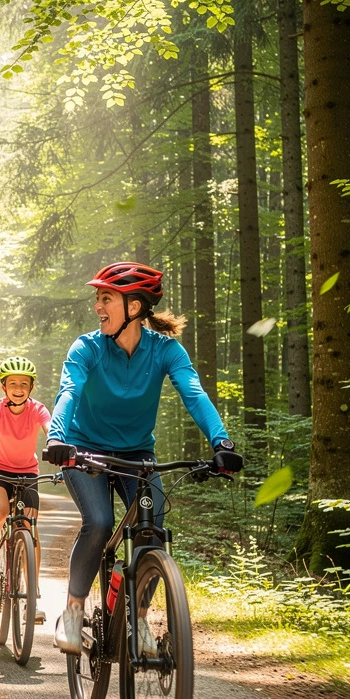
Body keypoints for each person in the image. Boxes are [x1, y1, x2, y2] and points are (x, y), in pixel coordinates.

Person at [42, 262, 243, 654]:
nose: (98, 307)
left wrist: (222, 443)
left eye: (106, 299)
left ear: (134, 307)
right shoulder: (87, 348)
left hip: (137, 454)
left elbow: (194, 393)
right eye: (97, 298)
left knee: (152, 532)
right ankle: (72, 611)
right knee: (99, 522)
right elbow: (69, 392)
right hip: (83, 450)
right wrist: (57, 436)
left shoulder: (166, 350)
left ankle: (137, 619)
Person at [0, 357, 51, 612]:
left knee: (30, 525)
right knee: (0, 511)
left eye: (24, 383)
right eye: (12, 382)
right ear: (4, 386)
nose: (18, 387)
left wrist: (63, 451)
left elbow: (52, 432)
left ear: (31, 387)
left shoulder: (38, 409)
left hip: (27, 472)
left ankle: (32, 594)